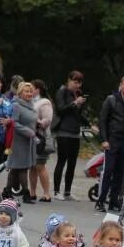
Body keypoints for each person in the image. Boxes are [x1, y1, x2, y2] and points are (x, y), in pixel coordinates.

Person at [96, 76, 124, 213]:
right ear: (121, 85)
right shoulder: (111, 100)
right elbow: (103, 120)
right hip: (112, 139)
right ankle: (101, 200)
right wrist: (104, 139)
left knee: (120, 173)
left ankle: (114, 200)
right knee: (108, 170)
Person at [52, 70, 85, 201]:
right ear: (69, 80)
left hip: (75, 132)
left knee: (72, 163)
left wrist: (89, 124)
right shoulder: (62, 91)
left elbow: (78, 114)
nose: (76, 85)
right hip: (63, 131)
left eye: (79, 83)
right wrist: (74, 103)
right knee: (62, 160)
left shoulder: (78, 94)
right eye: (74, 82)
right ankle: (56, 191)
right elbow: (60, 109)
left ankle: (67, 191)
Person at [5, 81, 38, 203]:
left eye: (31, 91)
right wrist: (27, 131)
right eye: (26, 91)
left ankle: (7, 191)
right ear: (20, 93)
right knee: (22, 167)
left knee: (15, 168)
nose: (29, 93)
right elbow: (14, 122)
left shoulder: (30, 104)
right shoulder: (16, 105)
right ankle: (26, 194)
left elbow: (31, 119)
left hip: (28, 140)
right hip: (18, 140)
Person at [29, 79, 54, 202]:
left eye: (31, 89)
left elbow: (47, 120)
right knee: (32, 166)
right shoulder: (32, 102)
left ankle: (46, 194)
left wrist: (36, 122)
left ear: (37, 90)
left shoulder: (44, 103)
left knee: (40, 166)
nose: (29, 91)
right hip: (32, 138)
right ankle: (32, 192)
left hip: (42, 138)